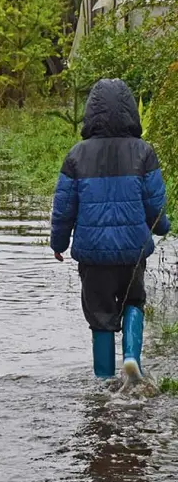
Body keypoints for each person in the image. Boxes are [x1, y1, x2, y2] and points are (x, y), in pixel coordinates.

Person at [50, 78, 170, 383]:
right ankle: (131, 358)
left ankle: (104, 382)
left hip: (94, 256)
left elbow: (64, 208)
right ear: (131, 111)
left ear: (91, 113)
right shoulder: (144, 152)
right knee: (135, 301)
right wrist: (164, 226)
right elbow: (155, 202)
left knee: (100, 317)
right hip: (132, 252)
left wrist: (58, 243)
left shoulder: (76, 155)